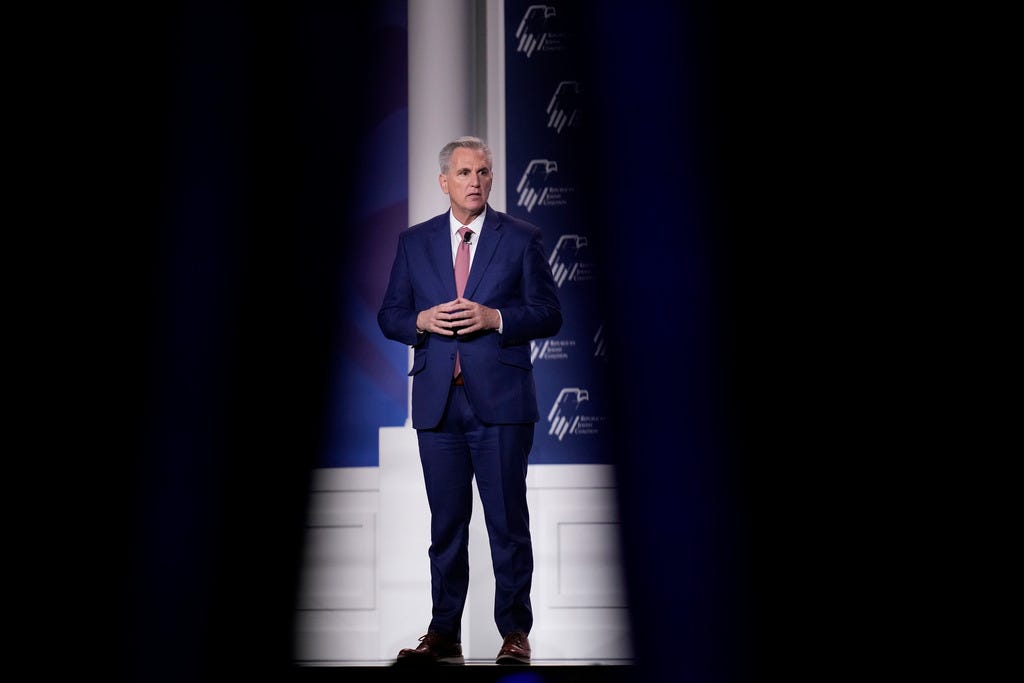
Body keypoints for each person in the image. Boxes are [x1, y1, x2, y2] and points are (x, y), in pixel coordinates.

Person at [378, 136, 562, 665]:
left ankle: (515, 634)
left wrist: (496, 319)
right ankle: (444, 634)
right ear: (444, 182)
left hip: (501, 404)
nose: (475, 181)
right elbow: (389, 313)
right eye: (464, 173)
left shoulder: (521, 237)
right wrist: (419, 321)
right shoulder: (414, 243)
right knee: (445, 527)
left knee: (507, 524)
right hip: (438, 403)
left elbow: (549, 313)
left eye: (483, 172)